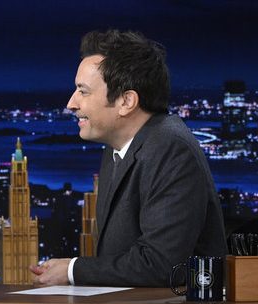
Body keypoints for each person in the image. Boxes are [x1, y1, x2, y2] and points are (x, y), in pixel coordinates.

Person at [32, 29, 227, 287]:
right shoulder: (118, 147)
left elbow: (161, 265)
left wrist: (72, 270)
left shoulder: (171, 150)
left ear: (126, 101)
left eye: (83, 91)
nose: (71, 103)